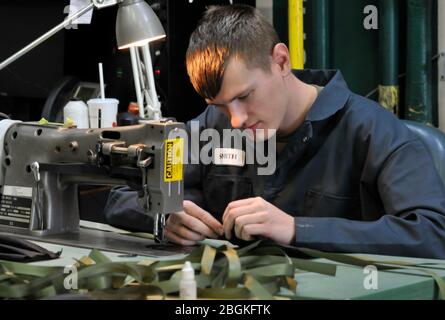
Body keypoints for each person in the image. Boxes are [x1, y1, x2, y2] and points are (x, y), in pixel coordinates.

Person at [104, 4, 445, 259]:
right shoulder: (213, 124)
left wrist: (297, 229)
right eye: (221, 104)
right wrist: (162, 217)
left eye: (244, 96)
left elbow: (433, 233)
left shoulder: (371, 131)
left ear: (281, 61)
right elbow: (120, 196)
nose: (235, 120)